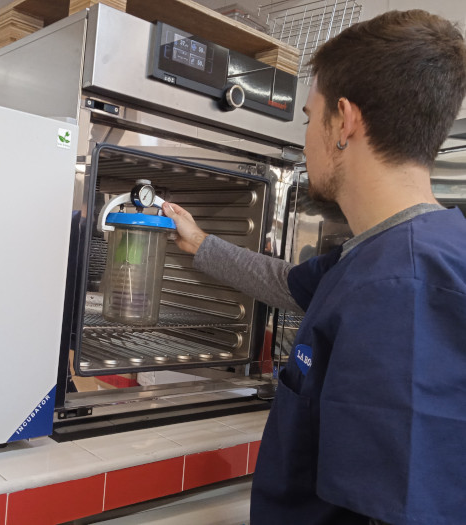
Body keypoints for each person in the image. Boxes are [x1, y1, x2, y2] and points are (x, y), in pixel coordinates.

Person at [163, 10, 466, 525]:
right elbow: (290, 284)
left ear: (344, 121)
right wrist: (202, 243)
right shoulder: (394, 254)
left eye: (308, 118)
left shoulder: (400, 289)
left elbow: (397, 507)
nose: (305, 140)